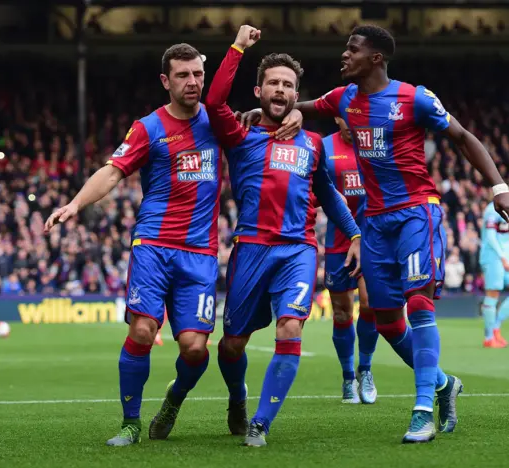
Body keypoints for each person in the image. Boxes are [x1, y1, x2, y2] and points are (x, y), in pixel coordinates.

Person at [242, 24, 509, 444]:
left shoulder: (415, 98)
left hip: (415, 212)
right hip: (374, 222)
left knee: (419, 305)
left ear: (375, 58)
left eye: (352, 49)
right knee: (388, 322)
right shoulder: (343, 98)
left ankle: (423, 409)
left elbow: (464, 138)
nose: (344, 55)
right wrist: (288, 110)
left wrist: (500, 188)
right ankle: (445, 385)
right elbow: (304, 105)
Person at [45, 43, 223, 446]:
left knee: (195, 350)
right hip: (154, 246)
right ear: (166, 81)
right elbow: (112, 172)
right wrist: (75, 204)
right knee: (142, 330)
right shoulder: (149, 127)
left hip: (200, 252)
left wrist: (298, 111)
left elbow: (266, 114)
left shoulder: (218, 120)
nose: (193, 82)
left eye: (197, 74)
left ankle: (174, 400)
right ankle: (130, 422)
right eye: (183, 75)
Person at [204, 25, 362, 447]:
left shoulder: (313, 141)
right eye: (273, 83)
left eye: (288, 85)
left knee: (291, 329)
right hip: (251, 249)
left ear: (296, 95)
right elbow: (214, 100)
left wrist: (356, 233)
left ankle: (261, 422)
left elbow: (327, 193)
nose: (280, 90)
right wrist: (237, 48)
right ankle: (237, 399)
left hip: (298, 250)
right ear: (258, 92)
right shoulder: (240, 135)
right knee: (231, 345)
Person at [322, 117, 379, 404]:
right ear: (336, 116)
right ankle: (348, 378)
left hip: (371, 238)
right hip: (338, 241)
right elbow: (312, 187)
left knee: (370, 304)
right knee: (343, 313)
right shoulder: (324, 146)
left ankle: (365, 369)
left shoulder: (373, 144)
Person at [480, 201, 509, 348]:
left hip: (506, 256)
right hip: (493, 257)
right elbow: (491, 238)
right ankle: (488, 338)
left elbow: (503, 235)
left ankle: (495, 327)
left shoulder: (506, 209)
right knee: (492, 294)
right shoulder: (491, 210)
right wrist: (502, 257)